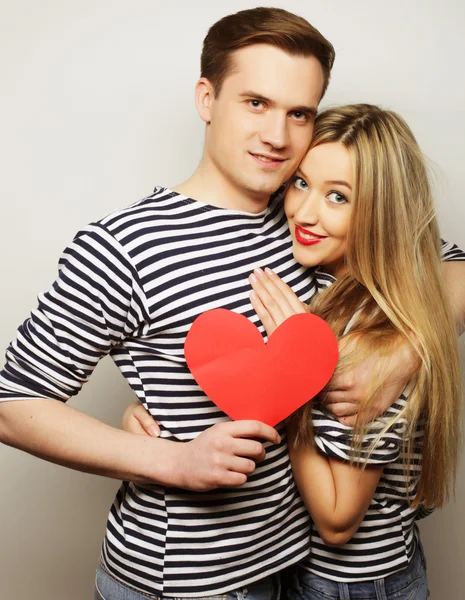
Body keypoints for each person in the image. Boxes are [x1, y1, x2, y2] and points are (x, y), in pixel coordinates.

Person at [0, 7, 464, 600]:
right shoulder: (124, 246)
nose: (278, 135)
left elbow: (448, 267)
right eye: (255, 103)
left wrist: (404, 347)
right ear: (206, 99)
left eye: (299, 113)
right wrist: (164, 459)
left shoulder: (307, 215)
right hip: (182, 582)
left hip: (290, 571)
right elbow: (15, 405)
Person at [127, 104, 463, 600]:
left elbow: (337, 519)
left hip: (353, 582)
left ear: (382, 213)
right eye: (301, 183)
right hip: (292, 568)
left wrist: (299, 378)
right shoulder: (323, 276)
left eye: (338, 197)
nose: (303, 213)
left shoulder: (371, 332)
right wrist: (159, 408)